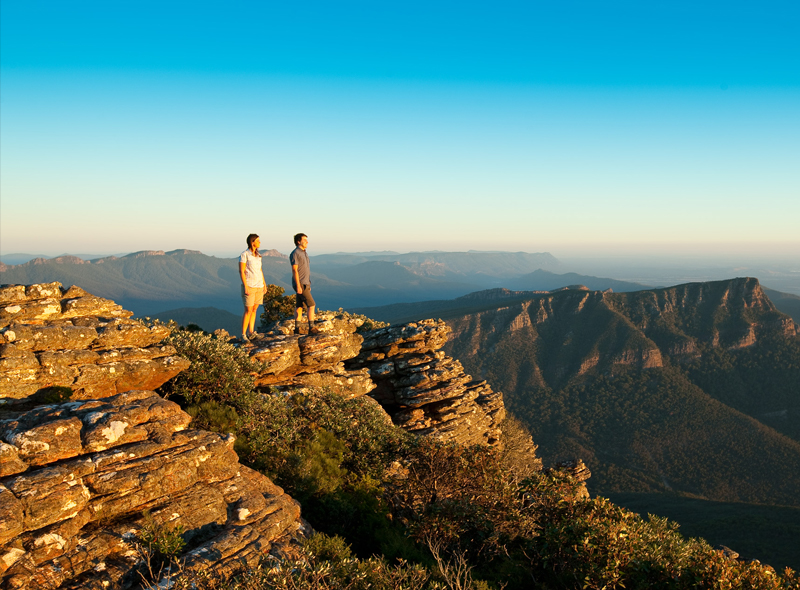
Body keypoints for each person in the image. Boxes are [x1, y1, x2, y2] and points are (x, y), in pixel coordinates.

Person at [290, 232, 320, 335]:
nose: (307, 241)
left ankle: (297, 329)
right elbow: (295, 270)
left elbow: (305, 270)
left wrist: (308, 283)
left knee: (299, 306)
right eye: (305, 240)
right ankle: (311, 328)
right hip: (301, 284)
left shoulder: (304, 253)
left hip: (305, 283)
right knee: (311, 305)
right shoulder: (295, 253)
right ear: (299, 241)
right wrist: (298, 285)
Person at [239, 233, 266, 342]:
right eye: (258, 240)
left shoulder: (258, 256)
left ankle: (251, 332)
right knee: (248, 310)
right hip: (249, 285)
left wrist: (264, 283)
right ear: (252, 242)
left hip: (259, 285)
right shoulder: (244, 254)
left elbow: (260, 270)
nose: (260, 242)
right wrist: (245, 286)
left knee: (254, 309)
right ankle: (243, 334)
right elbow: (241, 270)